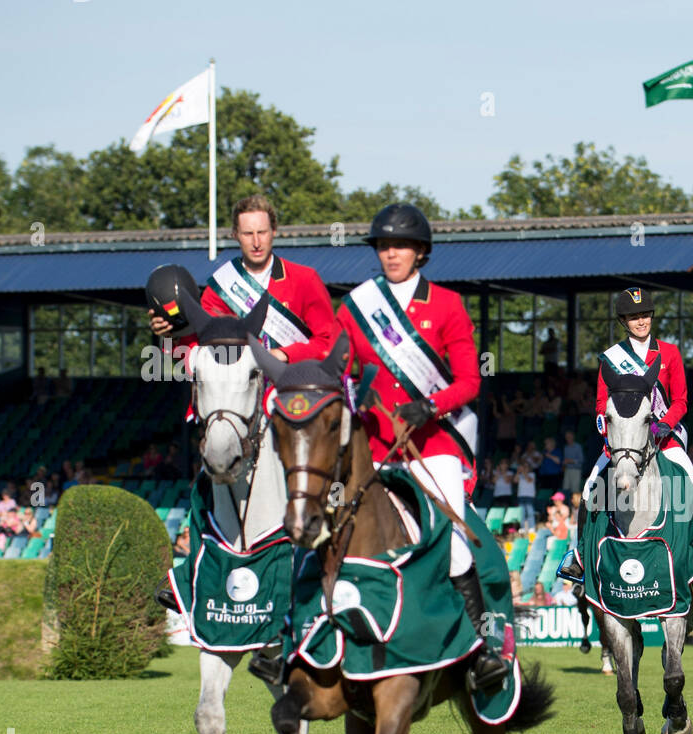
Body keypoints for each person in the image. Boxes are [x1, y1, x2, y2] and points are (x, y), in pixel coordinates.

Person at [334, 202, 507, 690]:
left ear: (420, 252)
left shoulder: (447, 305)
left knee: (453, 545)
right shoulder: (355, 306)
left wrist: (430, 406)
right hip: (372, 448)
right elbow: (339, 369)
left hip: (433, 448)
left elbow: (470, 382)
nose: (392, 254)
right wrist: (354, 389)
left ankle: (481, 651)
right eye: (384, 246)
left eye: (401, 246)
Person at [559, 286, 693, 582]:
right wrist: (607, 432)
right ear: (623, 321)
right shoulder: (611, 359)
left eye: (645, 315)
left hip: (663, 437)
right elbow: (601, 404)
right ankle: (578, 556)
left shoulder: (669, 353)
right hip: (622, 442)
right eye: (634, 317)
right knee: (592, 487)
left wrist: (662, 426)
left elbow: (681, 400)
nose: (641, 321)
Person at [149, 194, 338, 364]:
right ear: (235, 236)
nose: (256, 243)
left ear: (274, 232)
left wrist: (282, 355)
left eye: (262, 232)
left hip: (290, 391)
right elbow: (190, 355)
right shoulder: (219, 288)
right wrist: (169, 336)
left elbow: (328, 343)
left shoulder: (305, 279)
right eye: (248, 234)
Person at [561, 430, 584, 496]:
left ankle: (576, 505)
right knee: (565, 489)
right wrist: (564, 465)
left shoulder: (578, 447)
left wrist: (570, 461)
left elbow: (581, 460)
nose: (567, 438)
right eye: (566, 437)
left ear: (573, 437)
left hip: (576, 470)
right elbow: (565, 460)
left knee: (575, 490)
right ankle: (567, 505)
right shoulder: (566, 447)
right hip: (567, 470)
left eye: (569, 436)